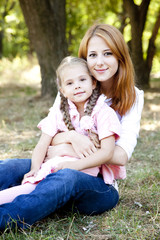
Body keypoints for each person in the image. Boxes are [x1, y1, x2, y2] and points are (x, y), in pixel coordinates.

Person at [0, 23, 144, 231]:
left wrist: (66, 148)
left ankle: (5, 219)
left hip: (98, 182)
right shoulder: (73, 84)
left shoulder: (132, 96)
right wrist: (73, 138)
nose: (100, 62)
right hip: (58, 161)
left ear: (120, 56)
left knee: (65, 177)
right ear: (85, 59)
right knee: (12, 167)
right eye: (93, 55)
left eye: (108, 53)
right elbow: (50, 136)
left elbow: (121, 156)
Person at [0, 56, 121, 205]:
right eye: (70, 83)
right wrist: (35, 167)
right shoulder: (59, 113)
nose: (77, 86)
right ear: (62, 91)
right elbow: (42, 144)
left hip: (84, 172)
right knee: (30, 186)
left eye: (82, 80)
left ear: (93, 83)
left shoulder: (103, 113)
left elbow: (107, 152)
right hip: (57, 164)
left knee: (35, 189)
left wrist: (74, 165)